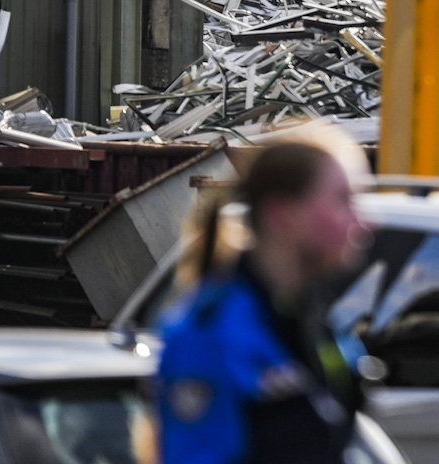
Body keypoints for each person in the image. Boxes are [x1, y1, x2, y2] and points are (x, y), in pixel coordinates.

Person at [156, 131, 372, 464]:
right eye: (343, 200)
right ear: (281, 214)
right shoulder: (209, 335)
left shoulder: (317, 323)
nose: (361, 222)